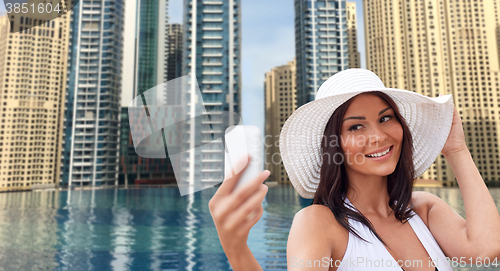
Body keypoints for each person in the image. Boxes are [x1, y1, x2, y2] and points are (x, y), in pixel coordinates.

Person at [208, 69, 500, 271]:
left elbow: (487, 250)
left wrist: (456, 150)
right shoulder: (318, 223)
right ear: (334, 144)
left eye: (386, 118)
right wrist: (236, 249)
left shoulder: (423, 209)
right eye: (356, 126)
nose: (378, 136)